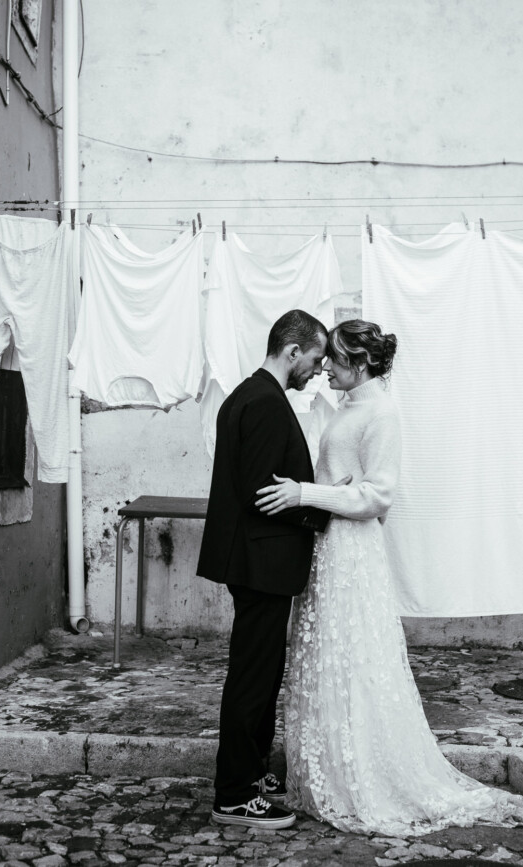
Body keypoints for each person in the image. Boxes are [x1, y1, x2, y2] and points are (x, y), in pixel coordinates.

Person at [255, 320, 523, 836]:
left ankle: (362, 775)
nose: (324, 369)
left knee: (354, 660)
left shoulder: (381, 411)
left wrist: (306, 493)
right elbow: (344, 481)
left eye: (333, 361)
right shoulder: (350, 406)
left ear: (359, 363)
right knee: (328, 658)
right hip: (328, 548)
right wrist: (318, 493)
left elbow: (379, 495)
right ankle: (329, 771)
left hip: (351, 553)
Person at [197, 309, 332, 830]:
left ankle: (251, 773)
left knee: (261, 671)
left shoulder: (249, 396)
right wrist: (322, 507)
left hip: (257, 562)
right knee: (253, 678)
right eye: (315, 359)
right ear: (292, 350)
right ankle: (233, 793)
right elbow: (262, 493)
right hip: (262, 564)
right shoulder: (265, 404)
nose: (318, 370)